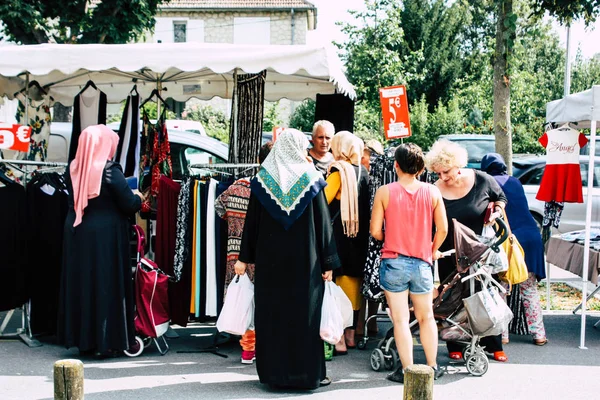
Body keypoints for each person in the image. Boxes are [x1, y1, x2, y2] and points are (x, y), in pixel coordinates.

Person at [235, 129, 340, 390]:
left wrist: (244, 257)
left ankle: (274, 374)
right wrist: (328, 263)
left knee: (273, 315)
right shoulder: (312, 180)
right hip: (307, 263)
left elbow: (252, 224)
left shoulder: (262, 183)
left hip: (270, 263)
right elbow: (324, 225)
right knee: (305, 316)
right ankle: (307, 375)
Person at [58, 124, 144, 357]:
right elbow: (128, 203)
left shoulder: (74, 168)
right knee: (105, 284)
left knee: (82, 283)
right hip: (104, 237)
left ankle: (83, 339)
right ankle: (105, 341)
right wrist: (137, 196)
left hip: (76, 233)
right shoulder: (109, 170)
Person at [425, 139, 509, 362]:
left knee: (481, 295)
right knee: (451, 296)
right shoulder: (435, 189)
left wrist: (497, 211)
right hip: (448, 252)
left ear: (457, 164)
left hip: (477, 249)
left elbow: (500, 197)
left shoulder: (481, 179)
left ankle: (492, 344)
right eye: (438, 173)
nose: (443, 177)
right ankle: (455, 343)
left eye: (446, 171)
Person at [370, 143, 448, 383]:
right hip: (422, 263)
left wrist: (390, 236)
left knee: (401, 319)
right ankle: (432, 366)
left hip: (393, 261)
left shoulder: (385, 191)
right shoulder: (433, 192)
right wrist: (432, 249)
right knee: (426, 318)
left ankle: (407, 370)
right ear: (420, 167)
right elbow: (443, 229)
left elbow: (375, 231)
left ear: (396, 165)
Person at [215, 141, 274, 365]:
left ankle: (247, 349)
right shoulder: (272, 190)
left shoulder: (239, 185)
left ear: (258, 160)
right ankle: (263, 347)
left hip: (235, 251)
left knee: (242, 300)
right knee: (263, 300)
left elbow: (218, 207)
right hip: (261, 252)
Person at [481, 153, 548, 346]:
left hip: (507, 241)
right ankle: (539, 334)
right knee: (529, 290)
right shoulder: (515, 182)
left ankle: (503, 335)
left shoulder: (488, 183)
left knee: (502, 287)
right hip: (531, 239)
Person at [324, 131, 370, 353]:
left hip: (339, 235)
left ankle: (339, 338)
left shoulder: (337, 172)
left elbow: (323, 200)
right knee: (354, 285)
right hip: (359, 236)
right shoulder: (364, 173)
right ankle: (352, 335)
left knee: (339, 286)